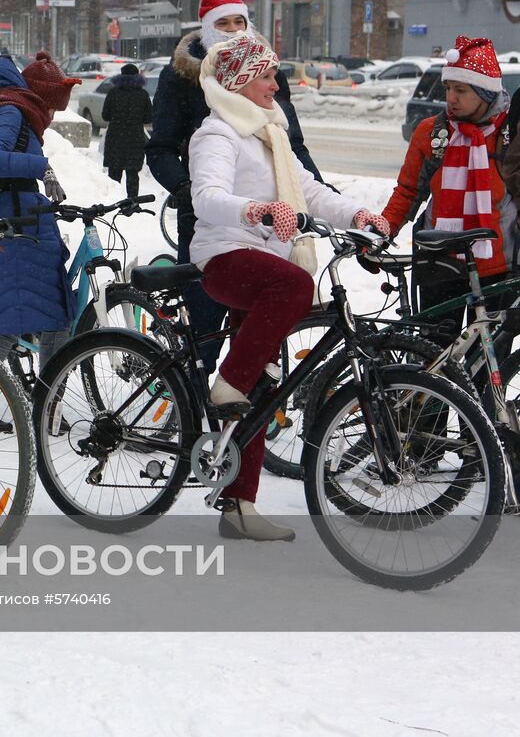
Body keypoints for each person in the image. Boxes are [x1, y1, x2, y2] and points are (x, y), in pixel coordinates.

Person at [187, 32, 386, 542]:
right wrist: (253, 209)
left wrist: (358, 212)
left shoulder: (269, 134)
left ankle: (239, 505)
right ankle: (227, 384)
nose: (277, 84)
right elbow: (207, 198)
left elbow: (311, 191)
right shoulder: (218, 134)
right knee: (295, 287)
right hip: (227, 254)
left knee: (266, 385)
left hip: (264, 257)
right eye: (268, 75)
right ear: (239, 82)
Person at [146, 0, 327, 369]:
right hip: (208, 211)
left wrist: (318, 191)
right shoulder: (180, 77)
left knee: (260, 326)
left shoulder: (265, 71)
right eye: (222, 23)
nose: (231, 30)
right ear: (207, 28)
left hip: (269, 215)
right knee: (206, 324)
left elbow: (290, 144)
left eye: (238, 22)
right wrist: (185, 188)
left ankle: (247, 403)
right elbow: (160, 147)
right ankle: (197, 405)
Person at [382, 36, 516, 344]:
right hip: (439, 261)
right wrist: (382, 232)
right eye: (447, 88)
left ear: (485, 92)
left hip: (498, 265)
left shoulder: (509, 133)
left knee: (487, 361)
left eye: (461, 89)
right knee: (433, 355)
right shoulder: (432, 132)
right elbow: (407, 191)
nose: (450, 98)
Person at [0, 51, 77, 400]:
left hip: (23, 226)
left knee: (30, 321)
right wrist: (40, 166)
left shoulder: (15, 109)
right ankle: (42, 403)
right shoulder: (11, 110)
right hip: (15, 231)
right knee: (29, 323)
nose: (50, 117)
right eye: (52, 108)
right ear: (40, 97)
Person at [100, 63, 150, 199]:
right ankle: (132, 201)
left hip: (115, 138)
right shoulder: (143, 94)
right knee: (132, 174)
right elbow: (148, 118)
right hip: (135, 139)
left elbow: (105, 115)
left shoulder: (113, 93)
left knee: (114, 174)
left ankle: (113, 201)